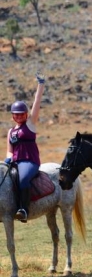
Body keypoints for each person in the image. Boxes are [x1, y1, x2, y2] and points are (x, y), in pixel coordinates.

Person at [5, 73, 45, 222]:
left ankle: (24, 210)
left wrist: (40, 85)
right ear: (12, 115)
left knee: (23, 180)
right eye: (16, 114)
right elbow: (10, 150)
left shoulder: (30, 124)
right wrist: (7, 160)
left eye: (22, 114)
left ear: (26, 114)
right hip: (15, 161)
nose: (19, 116)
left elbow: (37, 101)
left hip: (29, 161)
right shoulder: (11, 131)